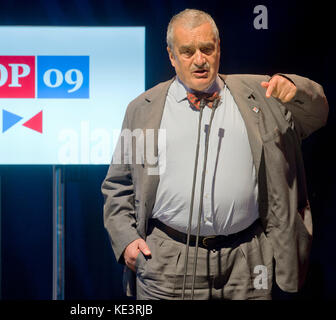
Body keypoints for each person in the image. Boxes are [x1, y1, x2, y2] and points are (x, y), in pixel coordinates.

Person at [101, 8, 328, 300]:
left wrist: (296, 89)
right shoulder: (144, 110)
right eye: (187, 51)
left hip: (246, 259)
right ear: (171, 56)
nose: (199, 60)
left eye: (207, 49)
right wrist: (127, 240)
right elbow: (120, 185)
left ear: (218, 48)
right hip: (168, 261)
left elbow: (317, 114)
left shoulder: (260, 94)